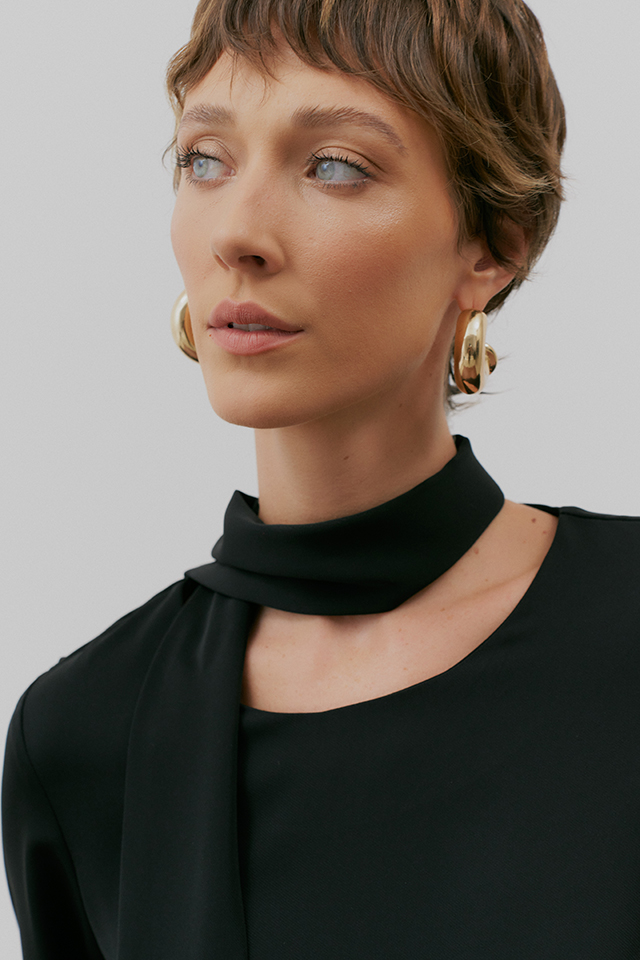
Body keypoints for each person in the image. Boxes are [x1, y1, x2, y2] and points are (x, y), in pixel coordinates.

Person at [3, 0, 640, 957]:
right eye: (204, 160)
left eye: (334, 165)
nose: (237, 234)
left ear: (495, 244)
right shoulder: (86, 736)